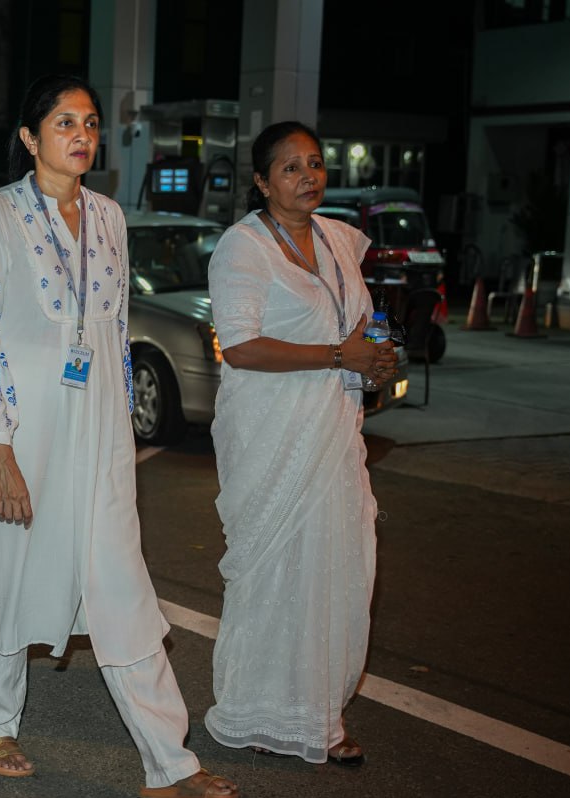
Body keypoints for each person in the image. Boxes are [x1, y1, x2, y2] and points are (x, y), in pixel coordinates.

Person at [0, 74, 239, 798]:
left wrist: (119, 438)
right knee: (14, 570)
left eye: (89, 122)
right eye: (64, 123)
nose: (82, 134)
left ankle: (169, 761)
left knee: (120, 578)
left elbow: (115, 332)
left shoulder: (111, 218)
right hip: (23, 423)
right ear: (30, 138)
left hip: (96, 423)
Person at [203, 120, 397, 765]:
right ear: (262, 182)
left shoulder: (341, 240)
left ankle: (318, 715)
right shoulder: (242, 249)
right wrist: (340, 351)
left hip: (334, 429)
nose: (308, 176)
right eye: (290, 167)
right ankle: (255, 708)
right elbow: (241, 345)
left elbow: (364, 319)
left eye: (314, 163)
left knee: (339, 566)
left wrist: (375, 357)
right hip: (270, 431)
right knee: (274, 572)